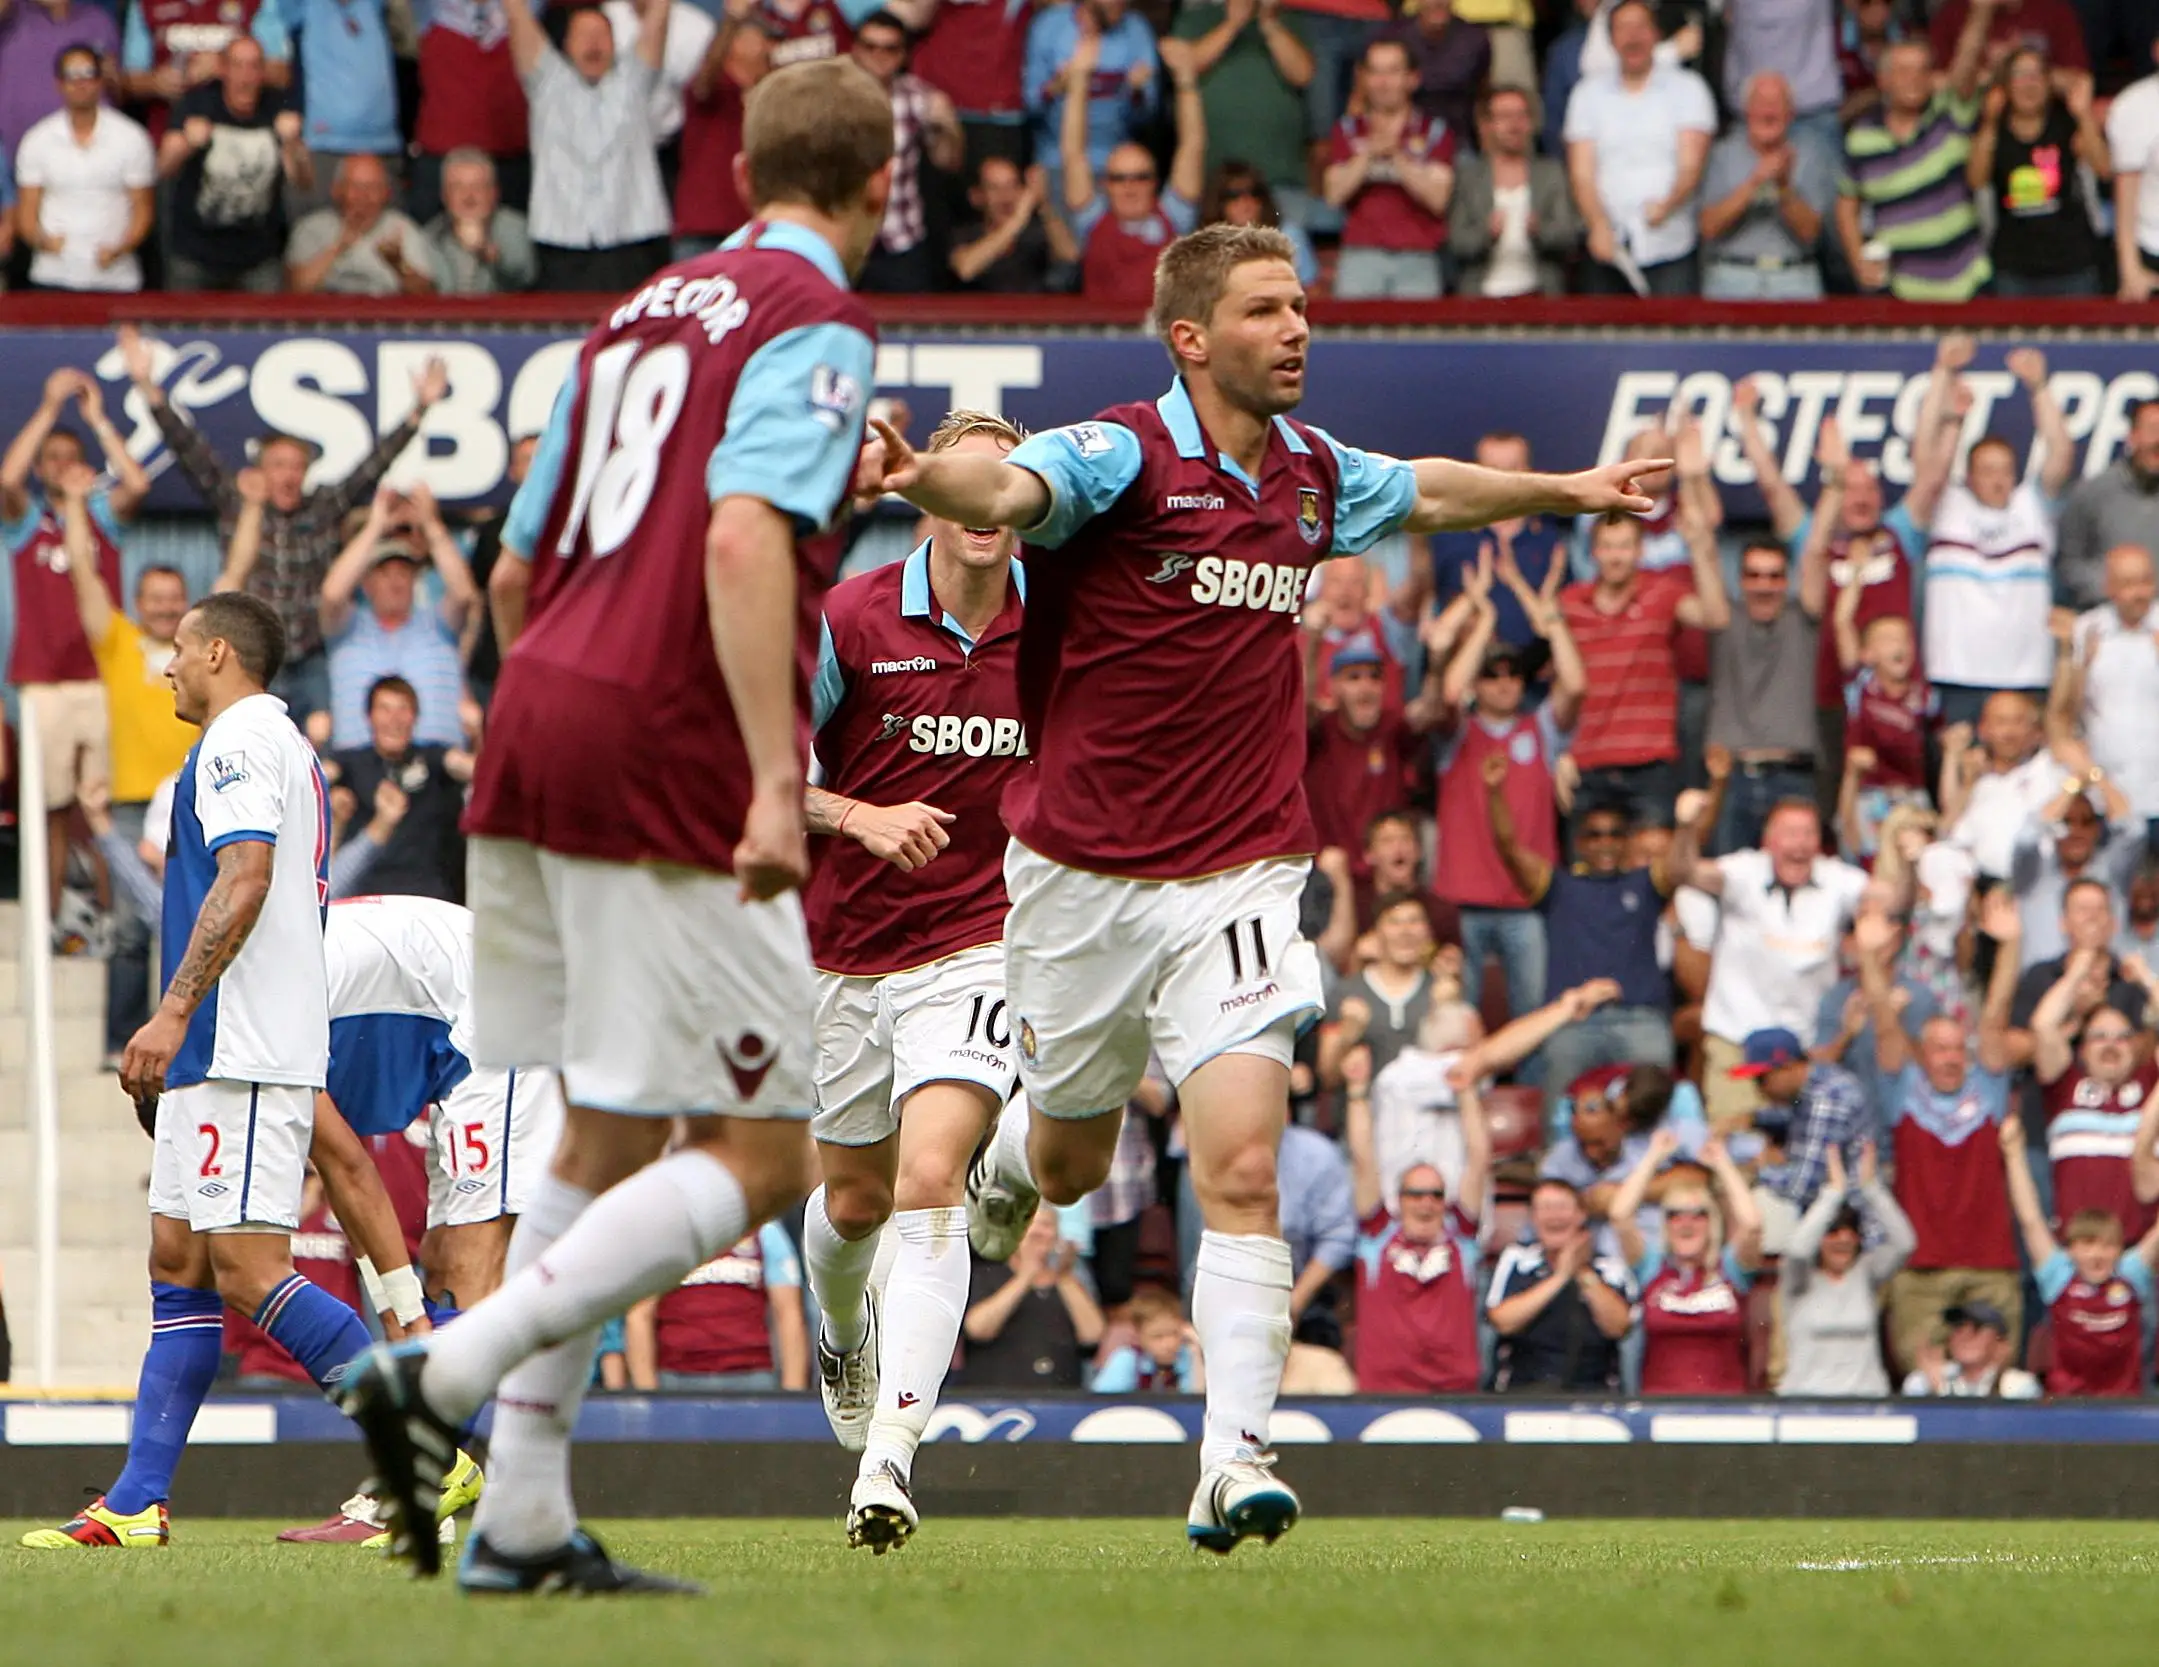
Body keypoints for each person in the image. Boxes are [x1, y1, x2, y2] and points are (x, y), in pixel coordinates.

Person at [863, 220, 1663, 1550]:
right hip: (1080, 882)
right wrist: (929, 483)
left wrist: (1570, 493)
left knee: (1238, 1156)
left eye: (1300, 306)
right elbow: (1004, 497)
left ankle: (1233, 1458)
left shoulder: (1305, 471)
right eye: (1264, 311)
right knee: (1065, 1154)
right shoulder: (1118, 453)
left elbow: (1427, 489)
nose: (1296, 328)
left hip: (1240, 867)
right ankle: (1010, 1155)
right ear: (1190, 338)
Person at [338, 57, 895, 1597]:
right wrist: (775, 781)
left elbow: (514, 572)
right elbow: (735, 534)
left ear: (734, 180)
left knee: (601, 1126)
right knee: (770, 1148)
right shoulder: (818, 323)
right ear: (877, 182)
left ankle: (516, 1517)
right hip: (665, 744)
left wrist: (562, 705)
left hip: (534, 723)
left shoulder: (632, 314)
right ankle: (439, 1379)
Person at [20, 593, 377, 1552]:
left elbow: (246, 874)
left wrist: (175, 1009)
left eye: (177, 650)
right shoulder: (260, 743)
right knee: (178, 1267)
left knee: (249, 1269)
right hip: (219, 1048)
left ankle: (424, 1444)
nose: (165, 667)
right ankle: (139, 1497)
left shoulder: (237, 739)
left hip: (239, 1042)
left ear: (218, 651)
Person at [797, 410, 1029, 1553]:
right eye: (962, 480)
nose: (982, 503)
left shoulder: (1068, 618)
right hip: (844, 950)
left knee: (928, 1177)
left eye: (1004, 482)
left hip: (981, 941)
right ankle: (840, 1329)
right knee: (850, 1204)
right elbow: (763, 778)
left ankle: (888, 1460)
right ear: (927, 495)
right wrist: (860, 814)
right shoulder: (852, 613)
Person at [279, 895, 566, 1546]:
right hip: (461, 1013)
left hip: (503, 1006)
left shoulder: (257, 1032)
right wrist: (398, 1304)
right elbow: (349, 1192)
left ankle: (423, 1473)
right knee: (440, 1267)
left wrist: (401, 1315)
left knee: (470, 1263)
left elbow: (352, 1173)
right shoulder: (255, 1007)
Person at [117, 324, 452, 732]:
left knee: (321, 742)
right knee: (245, 739)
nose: (288, 475)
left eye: (297, 466)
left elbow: (372, 467)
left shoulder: (322, 507)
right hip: (253, 658)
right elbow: (189, 449)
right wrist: (148, 387)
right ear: (261, 469)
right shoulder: (239, 505)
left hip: (310, 657)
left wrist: (419, 411)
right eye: (278, 465)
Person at [1, 366, 149, 937]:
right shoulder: (26, 525)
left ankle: (112, 919)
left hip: (102, 679)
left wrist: (96, 420)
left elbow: (135, 484)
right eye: (53, 457)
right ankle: (48, 920)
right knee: (50, 809)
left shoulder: (103, 519)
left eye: (72, 455)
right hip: (42, 681)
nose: (62, 464)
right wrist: (46, 409)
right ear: (43, 467)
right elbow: (9, 479)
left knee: (102, 807)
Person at [54, 461, 195, 1059]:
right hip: (135, 801)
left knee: (196, 920)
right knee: (135, 926)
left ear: (188, 604)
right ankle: (120, 1041)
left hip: (196, 797)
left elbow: (239, 571)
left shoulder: (203, 649)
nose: (165, 608)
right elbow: (83, 577)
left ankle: (187, 1037)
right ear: (138, 602)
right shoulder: (119, 641)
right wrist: (73, 505)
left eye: (173, 599)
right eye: (155, 599)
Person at [1865, 892, 2025, 1375]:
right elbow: (1884, 1023)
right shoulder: (1903, 1089)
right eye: (1939, 1049)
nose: (1951, 1058)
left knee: (1998, 1397)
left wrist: (2011, 946)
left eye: (1959, 1049)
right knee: (1922, 1386)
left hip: (1991, 1267)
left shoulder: (1988, 1088)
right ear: (1923, 1053)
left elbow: (1995, 1015)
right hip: (1921, 1272)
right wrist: (1870, 958)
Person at [1678, 799, 1871, 1130]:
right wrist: (1684, 828)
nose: (1800, 843)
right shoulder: (1743, 870)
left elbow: (1894, 901)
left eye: (1808, 833)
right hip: (1736, 1041)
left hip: (1801, 1054)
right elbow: (1683, 873)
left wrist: (1907, 865)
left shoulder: (1837, 877)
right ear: (1769, 841)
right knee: (1735, 1142)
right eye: (1790, 833)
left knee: (1804, 1142)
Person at [1923, 342, 2075, 724]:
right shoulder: (1948, 507)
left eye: (2004, 470)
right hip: (1956, 676)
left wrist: (2039, 388)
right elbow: (1926, 452)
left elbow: (2060, 454)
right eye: (1986, 470)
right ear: (1969, 476)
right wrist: (1944, 375)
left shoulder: (2032, 508)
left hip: (2025, 678)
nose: (1996, 479)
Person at [1559, 503, 1730, 839]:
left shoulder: (1662, 592)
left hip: (1651, 763)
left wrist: (1698, 547)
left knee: (1653, 874)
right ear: (1593, 551)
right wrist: (1558, 753)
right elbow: (1559, 688)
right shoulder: (1569, 603)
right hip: (1588, 762)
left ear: (1640, 550)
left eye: (1624, 546)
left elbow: (1716, 617)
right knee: (1588, 879)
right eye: (1607, 547)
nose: (1616, 556)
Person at [1343, 1044, 1486, 1394]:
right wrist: (1357, 1092)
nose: (1426, 1203)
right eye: (1415, 1195)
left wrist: (1466, 1093)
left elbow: (1479, 1158)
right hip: (1385, 1390)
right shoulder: (1377, 1234)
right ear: (1399, 1200)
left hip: (1455, 1391)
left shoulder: (1461, 1237)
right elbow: (1363, 1158)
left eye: (1436, 1194)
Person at [506, 0, 675, 292]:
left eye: (601, 35)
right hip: (561, 243)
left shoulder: (635, 81)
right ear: (566, 45)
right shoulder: (546, 83)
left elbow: (657, 19)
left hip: (633, 242)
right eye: (583, 36)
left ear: (615, 43)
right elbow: (517, 16)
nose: (593, 44)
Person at [1834, 0, 1997, 301]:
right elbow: (1846, 204)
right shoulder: (1862, 138)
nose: (1915, 79)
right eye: (1904, 71)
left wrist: (1980, 12)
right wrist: (1858, 259)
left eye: (1923, 70)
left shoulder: (1948, 116)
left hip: (1968, 284)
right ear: (1883, 81)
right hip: (1902, 293)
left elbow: (1964, 63)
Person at [1562, 0, 1716, 295]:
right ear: (1611, 39)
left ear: (1656, 34)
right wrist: (1597, 224)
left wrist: (1668, 205)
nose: (1632, 36)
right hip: (1607, 247)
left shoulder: (1688, 89)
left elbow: (1691, 167)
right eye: (1623, 28)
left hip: (1669, 244)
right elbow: (1581, 174)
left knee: (1674, 339)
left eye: (1640, 27)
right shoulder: (1587, 95)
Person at [314, 485, 479, 753]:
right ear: (366, 583)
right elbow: (332, 594)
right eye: (385, 573)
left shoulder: (438, 624)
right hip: (360, 767)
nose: (396, 582)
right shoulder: (348, 628)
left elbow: (463, 594)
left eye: (404, 573)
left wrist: (430, 523)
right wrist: (376, 525)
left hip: (438, 767)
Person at [1605, 1129, 1763, 1394]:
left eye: (1698, 1214)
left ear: (1711, 1222)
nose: (1686, 1223)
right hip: (1659, 1413)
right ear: (1665, 1224)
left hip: (1725, 1411)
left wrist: (1723, 1165)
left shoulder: (1732, 1269)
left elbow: (1752, 1224)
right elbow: (1620, 1214)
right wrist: (1652, 1157)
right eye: (1675, 1215)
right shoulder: (1651, 1266)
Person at [1060, 32, 1204, 309]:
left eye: (1141, 176)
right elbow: (1073, 154)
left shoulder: (1175, 218)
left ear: (1154, 182)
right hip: (1103, 344)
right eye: (1119, 178)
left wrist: (1186, 80)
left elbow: (1192, 146)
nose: (1130, 186)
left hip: (1162, 341)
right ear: (1106, 185)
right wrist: (1078, 81)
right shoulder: (1091, 223)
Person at [158, 35, 310, 292]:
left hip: (258, 258)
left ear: (263, 72)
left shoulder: (278, 105)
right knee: (181, 331)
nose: (246, 77)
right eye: (237, 66)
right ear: (222, 69)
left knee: (266, 331)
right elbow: (163, 167)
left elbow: (304, 181)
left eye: (254, 66)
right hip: (195, 255)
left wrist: (292, 144)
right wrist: (187, 143)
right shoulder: (197, 103)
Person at [2030, 950, 2158, 1242]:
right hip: (2075, 1255)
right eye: (2099, 1036)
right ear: (2082, 1049)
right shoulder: (2064, 1087)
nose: (2111, 1045)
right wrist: (2078, 971)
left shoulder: (2151, 1085)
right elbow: (2042, 1025)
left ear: (2136, 1046)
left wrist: (2144, 978)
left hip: (2141, 1258)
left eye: (2122, 1037)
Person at [1323, 35, 1455, 300]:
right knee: (1352, 339)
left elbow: (1438, 198)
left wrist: (1396, 155)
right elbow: (1333, 195)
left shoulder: (1435, 133)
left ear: (1412, 78)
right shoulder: (1347, 130)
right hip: (1360, 256)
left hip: (1418, 256)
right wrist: (1369, 153)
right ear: (1363, 78)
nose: (1383, 82)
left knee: (1418, 341)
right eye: (1375, 72)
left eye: (1393, 71)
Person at [1778, 1142, 1915, 1397]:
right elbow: (1797, 1249)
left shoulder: (1865, 1274)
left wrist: (1871, 1189)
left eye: (1851, 1231)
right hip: (1805, 1404)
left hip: (1866, 1402)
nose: (1843, 1239)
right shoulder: (1799, 1279)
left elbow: (1905, 1243)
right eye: (1833, 1232)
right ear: (1819, 1239)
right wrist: (1833, 1193)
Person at [14, 45, 155, 292]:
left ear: (100, 81)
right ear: (59, 83)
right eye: (72, 75)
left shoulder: (132, 137)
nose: (80, 83)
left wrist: (120, 249)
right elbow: (26, 213)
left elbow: (142, 210)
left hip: (117, 277)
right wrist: (44, 243)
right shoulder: (37, 139)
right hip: (52, 276)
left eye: (88, 74)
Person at [1971, 48, 2108, 295]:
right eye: (2020, 75)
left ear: (2048, 81)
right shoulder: (1994, 130)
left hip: (2073, 265)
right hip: (2014, 269)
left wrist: (2084, 114)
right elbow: (1976, 179)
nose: (2029, 84)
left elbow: (2104, 167)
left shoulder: (2066, 123)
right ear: (2005, 86)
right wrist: (1989, 120)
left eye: (2036, 74)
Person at [325, 677, 475, 903]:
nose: (394, 720)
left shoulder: (435, 757)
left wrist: (478, 737)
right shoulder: (349, 761)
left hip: (429, 897)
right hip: (367, 896)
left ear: (415, 716)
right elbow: (313, 777)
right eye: (384, 709)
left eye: (403, 709)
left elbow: (474, 771)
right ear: (369, 717)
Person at [1484, 1178, 1637, 1391]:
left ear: (1581, 1215)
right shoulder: (1516, 1258)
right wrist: (1560, 1276)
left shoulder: (1609, 1265)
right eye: (1545, 1208)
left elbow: (1619, 1327)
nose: (1554, 1216)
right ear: (1533, 1218)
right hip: (1522, 1391)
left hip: (1594, 1393)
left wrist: (1583, 1272)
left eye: (1562, 1207)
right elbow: (1503, 1320)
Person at [850, 9, 964, 293]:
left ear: (902, 55)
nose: (879, 55)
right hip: (849, 240)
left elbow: (949, 161)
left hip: (901, 240)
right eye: (870, 46)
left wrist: (948, 128)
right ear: (855, 50)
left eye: (889, 49)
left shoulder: (918, 98)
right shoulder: (834, 100)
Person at [1697, 71, 1834, 300]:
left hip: (1794, 277)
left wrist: (1783, 187)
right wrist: (1754, 182)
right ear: (1746, 110)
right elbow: (1709, 227)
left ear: (1790, 113)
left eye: (1776, 103)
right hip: (1732, 276)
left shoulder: (1812, 154)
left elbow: (1811, 233)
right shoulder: (1722, 154)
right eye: (1760, 102)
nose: (1768, 110)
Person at [630, 1222, 811, 1391]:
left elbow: (789, 1314)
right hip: (676, 1379)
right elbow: (639, 1315)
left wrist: (793, 1392)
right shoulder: (664, 1234)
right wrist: (647, 1397)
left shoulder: (765, 1230)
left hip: (751, 1379)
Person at [1447, 84, 1582, 299]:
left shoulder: (1551, 173)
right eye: (1505, 116)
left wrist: (1540, 230)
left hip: (1539, 295)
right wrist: (1486, 234)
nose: (1514, 125)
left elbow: (1570, 235)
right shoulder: (1469, 177)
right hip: (1481, 297)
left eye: (1521, 116)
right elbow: (1456, 242)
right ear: (1488, 125)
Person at [957, 1203, 1105, 1387]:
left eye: (1046, 1225)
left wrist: (1063, 1276)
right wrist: (1025, 1277)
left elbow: (1093, 1335)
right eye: (1028, 1224)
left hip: (1061, 1398)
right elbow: (977, 1329)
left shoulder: (1071, 1279)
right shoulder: (987, 1273)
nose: (1038, 1232)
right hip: (996, 1398)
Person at [285, 153, 438, 296]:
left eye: (373, 187)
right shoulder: (311, 228)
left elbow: (426, 296)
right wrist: (339, 246)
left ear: (387, 193)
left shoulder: (402, 228)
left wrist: (399, 265)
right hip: (326, 319)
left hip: (385, 319)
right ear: (337, 190)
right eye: (355, 186)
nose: (363, 196)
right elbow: (297, 288)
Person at [951, 156, 1075, 290]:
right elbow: (965, 269)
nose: (1005, 196)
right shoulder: (965, 234)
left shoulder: (1036, 231)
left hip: (1032, 309)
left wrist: (1044, 204)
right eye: (994, 188)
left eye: (1012, 186)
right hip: (982, 310)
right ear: (977, 196)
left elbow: (1069, 256)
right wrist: (1017, 221)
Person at [425, 148, 537, 294]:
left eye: (478, 187)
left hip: (501, 314)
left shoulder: (514, 227)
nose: (468, 196)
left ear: (494, 193)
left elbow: (525, 276)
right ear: (444, 196)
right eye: (458, 187)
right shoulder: (431, 236)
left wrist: (488, 253)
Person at [1898, 1298, 2039, 1397]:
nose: (1964, 1336)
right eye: (1958, 1327)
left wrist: (1941, 1392)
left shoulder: (2019, 1385)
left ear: (2000, 1342)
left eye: (1976, 1328)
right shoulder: (1923, 1381)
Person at [1090, 1284, 1202, 1391]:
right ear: (1138, 1335)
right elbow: (1104, 1401)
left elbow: (1197, 1400)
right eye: (1158, 1337)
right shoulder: (1127, 1358)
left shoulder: (1189, 1357)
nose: (1169, 1343)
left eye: (1175, 1333)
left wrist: (1197, 1351)